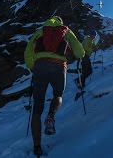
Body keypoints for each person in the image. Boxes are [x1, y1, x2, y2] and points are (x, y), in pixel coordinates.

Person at [24, 16, 85, 156]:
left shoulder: (40, 30)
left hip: (40, 65)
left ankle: (37, 148)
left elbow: (28, 50)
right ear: (60, 22)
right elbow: (79, 51)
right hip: (59, 65)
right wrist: (80, 55)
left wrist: (31, 66)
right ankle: (51, 116)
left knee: (37, 107)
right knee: (58, 94)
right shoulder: (66, 30)